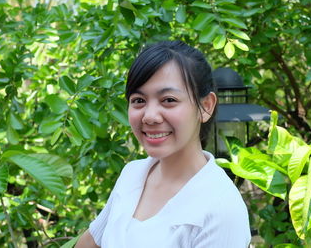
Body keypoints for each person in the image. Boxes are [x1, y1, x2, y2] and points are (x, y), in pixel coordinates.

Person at [75, 40, 251, 248]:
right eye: (139, 100)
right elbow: (90, 242)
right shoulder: (132, 174)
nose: (150, 116)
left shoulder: (221, 209)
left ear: (205, 107)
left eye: (168, 100)